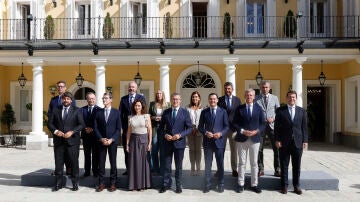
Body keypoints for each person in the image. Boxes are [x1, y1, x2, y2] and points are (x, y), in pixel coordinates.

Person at [47, 92, 85, 192]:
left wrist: (72, 132)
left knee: (74, 163)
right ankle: (58, 184)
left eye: (68, 99)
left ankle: (75, 183)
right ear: (62, 100)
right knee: (59, 163)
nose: (66, 100)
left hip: (72, 141)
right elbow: (50, 124)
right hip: (59, 141)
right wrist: (56, 131)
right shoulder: (56, 110)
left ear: (71, 100)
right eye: (64, 99)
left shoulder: (77, 110)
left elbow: (81, 125)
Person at [275, 90, 308, 195]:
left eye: (293, 97)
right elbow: (277, 127)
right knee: (284, 165)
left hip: (297, 142)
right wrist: (277, 139)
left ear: (296, 98)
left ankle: (296, 186)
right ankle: (284, 186)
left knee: (296, 165)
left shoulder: (302, 111)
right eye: (289, 97)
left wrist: (305, 141)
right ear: (286, 98)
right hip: (284, 142)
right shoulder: (280, 111)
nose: (291, 99)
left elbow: (304, 128)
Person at [158, 93, 192, 194]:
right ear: (171, 100)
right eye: (173, 99)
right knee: (167, 165)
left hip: (179, 143)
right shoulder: (166, 112)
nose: (175, 101)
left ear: (180, 101)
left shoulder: (185, 112)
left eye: (177, 99)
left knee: (178, 166)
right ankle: (165, 184)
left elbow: (189, 128)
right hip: (167, 143)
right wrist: (165, 135)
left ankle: (178, 185)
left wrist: (180, 135)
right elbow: (160, 128)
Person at [233, 89, 265, 194]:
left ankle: (254, 184)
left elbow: (263, 124)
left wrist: (257, 131)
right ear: (244, 96)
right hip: (241, 139)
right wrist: (242, 130)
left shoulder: (259, 109)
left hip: (255, 139)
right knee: (242, 163)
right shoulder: (239, 109)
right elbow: (235, 123)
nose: (249, 97)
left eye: (251, 95)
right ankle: (241, 184)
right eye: (247, 95)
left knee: (254, 163)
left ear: (254, 96)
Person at [198, 93, 229, 193]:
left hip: (219, 142)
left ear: (217, 100)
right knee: (208, 165)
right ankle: (207, 184)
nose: (212, 101)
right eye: (211, 99)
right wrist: (205, 132)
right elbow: (200, 127)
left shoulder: (223, 111)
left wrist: (221, 133)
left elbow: (226, 126)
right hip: (208, 142)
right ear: (208, 100)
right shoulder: (204, 112)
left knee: (220, 165)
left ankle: (221, 184)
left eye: (214, 99)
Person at [94, 93, 121, 192]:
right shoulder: (98, 112)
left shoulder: (116, 112)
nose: (104, 100)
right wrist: (101, 139)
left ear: (111, 100)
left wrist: (111, 139)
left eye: (106, 98)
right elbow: (95, 128)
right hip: (101, 142)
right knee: (101, 163)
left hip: (112, 142)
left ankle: (113, 183)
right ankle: (101, 183)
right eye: (103, 98)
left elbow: (118, 129)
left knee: (113, 163)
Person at [48, 81, 76, 175]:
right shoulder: (53, 100)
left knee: (68, 152)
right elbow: (50, 113)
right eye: (58, 86)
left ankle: (68, 168)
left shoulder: (71, 99)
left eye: (62, 86)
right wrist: (54, 130)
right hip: (57, 130)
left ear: (65, 88)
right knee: (57, 152)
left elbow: (74, 113)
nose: (60, 88)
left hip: (68, 130)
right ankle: (58, 170)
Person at [119, 81, 146, 175]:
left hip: (138, 129)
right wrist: (121, 128)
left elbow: (144, 111)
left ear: (136, 88)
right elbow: (120, 114)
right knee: (127, 150)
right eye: (130, 87)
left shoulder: (141, 98)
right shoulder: (123, 99)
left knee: (138, 150)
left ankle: (138, 169)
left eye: (133, 87)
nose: (131, 88)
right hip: (127, 129)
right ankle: (128, 169)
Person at [255, 81, 280, 177]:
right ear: (260, 88)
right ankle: (261, 169)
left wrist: (273, 118)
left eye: (266, 87)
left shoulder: (275, 98)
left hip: (272, 125)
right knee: (259, 149)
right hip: (261, 126)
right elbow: (255, 111)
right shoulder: (256, 98)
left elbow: (278, 111)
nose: (265, 89)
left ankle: (277, 169)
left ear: (269, 88)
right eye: (263, 87)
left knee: (276, 148)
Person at [126, 99, 152, 191]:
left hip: (144, 140)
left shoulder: (146, 116)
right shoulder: (130, 117)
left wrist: (149, 143)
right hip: (133, 140)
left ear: (142, 107)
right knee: (134, 163)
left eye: (139, 105)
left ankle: (142, 185)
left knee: (143, 163)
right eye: (136, 105)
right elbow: (128, 131)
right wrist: (127, 144)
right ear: (134, 107)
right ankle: (133, 185)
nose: (137, 107)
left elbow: (150, 130)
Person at [218, 81, 241, 177]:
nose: (227, 90)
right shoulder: (220, 100)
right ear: (224, 89)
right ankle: (220, 169)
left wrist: (238, 127)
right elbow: (218, 114)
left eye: (229, 89)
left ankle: (234, 169)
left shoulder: (237, 100)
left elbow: (240, 114)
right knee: (220, 150)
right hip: (222, 129)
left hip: (233, 129)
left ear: (232, 89)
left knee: (234, 150)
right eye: (226, 89)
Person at [148, 90, 170, 175]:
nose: (158, 95)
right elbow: (148, 115)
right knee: (154, 149)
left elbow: (169, 115)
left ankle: (162, 169)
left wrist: (162, 118)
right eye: (157, 93)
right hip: (154, 128)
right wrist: (154, 118)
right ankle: (155, 168)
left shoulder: (167, 104)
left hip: (164, 129)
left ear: (163, 95)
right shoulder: (152, 104)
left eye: (160, 93)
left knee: (162, 150)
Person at [81, 92, 101, 177]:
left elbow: (100, 122)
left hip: (95, 136)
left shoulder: (100, 110)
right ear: (87, 99)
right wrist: (85, 128)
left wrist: (92, 129)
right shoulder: (82, 110)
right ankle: (87, 171)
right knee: (87, 154)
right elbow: (80, 121)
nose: (91, 100)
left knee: (96, 154)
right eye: (89, 98)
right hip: (85, 135)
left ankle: (95, 171)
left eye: (93, 98)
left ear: (95, 99)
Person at [186, 91, 203, 176]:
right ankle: (192, 168)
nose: (194, 98)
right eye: (193, 97)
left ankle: (198, 168)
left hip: (199, 131)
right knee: (192, 150)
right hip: (190, 131)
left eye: (196, 97)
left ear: (199, 98)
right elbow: (186, 120)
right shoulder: (187, 108)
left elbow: (202, 121)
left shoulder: (202, 109)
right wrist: (191, 128)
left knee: (198, 150)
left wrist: (197, 128)